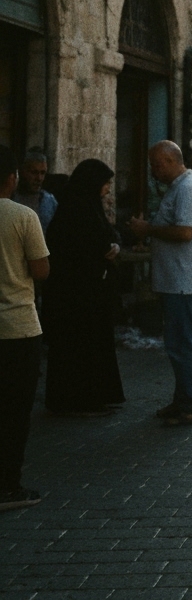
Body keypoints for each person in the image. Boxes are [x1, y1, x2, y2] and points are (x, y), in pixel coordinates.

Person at [128, 141, 192, 426]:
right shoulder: (180, 187)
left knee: (181, 344)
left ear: (172, 161)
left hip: (183, 281)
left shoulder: (187, 189)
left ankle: (191, 406)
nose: (153, 171)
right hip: (177, 280)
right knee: (177, 343)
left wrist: (148, 229)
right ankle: (183, 399)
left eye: (156, 165)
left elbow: (185, 232)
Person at [42, 159, 125, 417]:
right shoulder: (74, 211)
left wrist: (114, 246)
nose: (108, 189)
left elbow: (108, 234)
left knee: (92, 344)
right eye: (105, 183)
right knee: (78, 347)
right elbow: (78, 248)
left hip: (90, 293)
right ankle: (79, 401)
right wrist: (105, 250)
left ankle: (93, 398)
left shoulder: (89, 207)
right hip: (75, 295)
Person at [0, 145, 50, 510]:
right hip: (17, 327)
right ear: (12, 177)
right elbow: (41, 269)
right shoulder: (23, 216)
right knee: (15, 411)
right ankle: (7, 486)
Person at [13, 149, 56, 234]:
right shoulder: (11, 198)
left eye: (42, 173)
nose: (39, 178)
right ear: (23, 172)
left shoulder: (49, 201)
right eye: (34, 172)